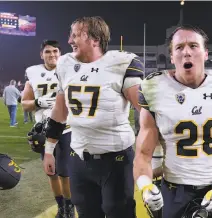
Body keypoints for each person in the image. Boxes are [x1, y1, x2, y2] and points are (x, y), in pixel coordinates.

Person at [134, 25, 212, 218]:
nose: (186, 52)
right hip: (174, 190)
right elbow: (143, 154)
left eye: (193, 46)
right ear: (171, 57)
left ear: (205, 53)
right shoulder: (154, 88)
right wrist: (144, 185)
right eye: (179, 47)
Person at [43, 16, 144, 218]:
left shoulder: (122, 63)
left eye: (75, 35)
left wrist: (149, 154)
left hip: (116, 159)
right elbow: (60, 111)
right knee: (87, 213)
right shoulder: (65, 63)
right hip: (78, 157)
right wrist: (49, 149)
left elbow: (144, 110)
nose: (70, 40)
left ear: (95, 39)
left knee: (119, 212)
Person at [21, 40, 74, 218]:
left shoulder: (69, 69)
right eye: (48, 52)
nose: (52, 55)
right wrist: (37, 102)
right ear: (41, 54)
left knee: (65, 172)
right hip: (43, 130)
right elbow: (24, 104)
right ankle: (61, 206)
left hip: (66, 128)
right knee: (51, 172)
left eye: (55, 51)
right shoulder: (33, 73)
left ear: (60, 53)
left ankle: (69, 207)